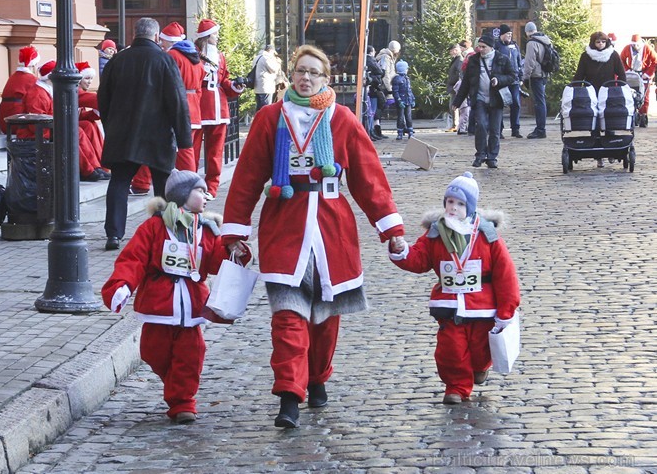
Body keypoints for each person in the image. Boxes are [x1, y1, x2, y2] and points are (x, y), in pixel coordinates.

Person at [221, 44, 406, 429]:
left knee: (324, 316)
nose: (306, 78)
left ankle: (318, 376)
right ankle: (289, 395)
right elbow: (247, 178)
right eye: (300, 71)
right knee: (288, 316)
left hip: (330, 230)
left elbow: (368, 179)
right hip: (284, 230)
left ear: (326, 78)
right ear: (291, 75)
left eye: (314, 73)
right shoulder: (270, 118)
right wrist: (235, 230)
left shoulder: (342, 120)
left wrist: (390, 229)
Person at [101, 169, 250, 424]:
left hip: (192, 303)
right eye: (200, 191)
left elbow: (215, 263)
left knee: (192, 353)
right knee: (152, 351)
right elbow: (133, 259)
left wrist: (234, 251)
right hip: (160, 303)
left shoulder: (207, 230)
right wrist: (123, 284)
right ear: (182, 195)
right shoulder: (154, 227)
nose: (206, 197)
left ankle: (183, 402)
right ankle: (175, 382)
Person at [389, 172, 520, 404]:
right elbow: (419, 260)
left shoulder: (487, 235)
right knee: (451, 349)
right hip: (449, 305)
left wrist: (506, 311)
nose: (453, 208)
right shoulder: (435, 233)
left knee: (480, 350)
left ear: (469, 207)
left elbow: (505, 275)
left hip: (481, 308)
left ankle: (480, 367)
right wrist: (402, 250)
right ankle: (456, 387)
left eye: (460, 204)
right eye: (450, 202)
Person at [98, 17, 193, 251]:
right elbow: (177, 102)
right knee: (161, 185)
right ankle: (162, 231)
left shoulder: (117, 60)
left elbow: (103, 98)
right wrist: (184, 138)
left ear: (134, 34)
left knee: (119, 182)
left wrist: (110, 125)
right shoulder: (164, 60)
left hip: (123, 133)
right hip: (157, 134)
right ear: (157, 37)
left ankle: (113, 233)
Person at [131, 21, 202, 196]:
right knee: (187, 151)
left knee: (159, 150)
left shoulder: (172, 56)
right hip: (192, 106)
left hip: (173, 106)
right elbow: (199, 87)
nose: (160, 44)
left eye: (163, 41)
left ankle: (145, 184)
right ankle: (193, 183)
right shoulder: (195, 57)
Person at [21, 60, 108, 182]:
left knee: (83, 127)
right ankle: (87, 170)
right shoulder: (37, 93)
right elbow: (36, 121)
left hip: (50, 126)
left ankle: (95, 166)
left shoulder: (47, 90)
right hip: (39, 130)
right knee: (74, 131)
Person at [195, 18, 245, 200]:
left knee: (215, 152)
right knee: (192, 151)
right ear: (207, 36)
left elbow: (224, 80)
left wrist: (235, 86)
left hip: (219, 108)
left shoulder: (220, 56)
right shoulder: (194, 54)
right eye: (215, 34)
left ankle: (212, 188)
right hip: (199, 106)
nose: (217, 37)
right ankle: (191, 187)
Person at [452, 34, 517, 169]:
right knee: (480, 126)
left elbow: (512, 76)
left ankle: (492, 157)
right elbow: (466, 83)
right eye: (479, 47)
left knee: (494, 130)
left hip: (496, 99)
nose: (480, 49)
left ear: (491, 47)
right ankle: (480, 154)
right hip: (479, 98)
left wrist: (499, 80)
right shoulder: (473, 61)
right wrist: (457, 102)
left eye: (483, 47)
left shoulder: (501, 59)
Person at [573, 31, 626, 167]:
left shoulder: (613, 55)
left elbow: (621, 73)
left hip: (609, 93)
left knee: (610, 120)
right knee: (594, 122)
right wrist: (575, 89)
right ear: (593, 43)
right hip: (592, 92)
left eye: (603, 42)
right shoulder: (586, 56)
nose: (600, 44)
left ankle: (612, 150)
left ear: (606, 42)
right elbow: (580, 74)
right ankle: (598, 156)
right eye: (598, 42)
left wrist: (620, 89)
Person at [0, 46, 40, 134]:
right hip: (18, 124)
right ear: (34, 65)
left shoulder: (13, 77)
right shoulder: (32, 80)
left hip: (5, 122)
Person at [620, 34, 657, 127]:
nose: (635, 46)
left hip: (645, 74)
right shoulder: (627, 48)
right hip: (632, 73)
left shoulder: (647, 48)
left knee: (645, 95)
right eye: (634, 44)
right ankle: (633, 112)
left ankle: (643, 114)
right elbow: (621, 59)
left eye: (637, 45)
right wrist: (627, 70)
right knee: (632, 93)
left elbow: (655, 61)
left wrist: (648, 73)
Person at [494, 24, 524, 138]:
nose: (509, 36)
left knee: (516, 104)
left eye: (511, 34)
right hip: (502, 80)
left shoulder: (514, 46)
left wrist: (520, 77)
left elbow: (519, 61)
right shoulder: (497, 46)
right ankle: (499, 130)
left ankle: (515, 129)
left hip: (514, 80)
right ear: (502, 35)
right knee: (500, 105)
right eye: (507, 34)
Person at [522, 21, 551, 139]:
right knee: (541, 100)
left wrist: (525, 77)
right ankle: (541, 128)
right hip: (544, 74)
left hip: (536, 75)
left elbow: (529, 62)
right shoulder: (546, 39)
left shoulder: (532, 43)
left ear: (527, 32)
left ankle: (540, 129)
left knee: (539, 102)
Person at [374, 40, 401, 138]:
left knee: (381, 107)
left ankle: (377, 129)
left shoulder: (387, 56)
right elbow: (385, 74)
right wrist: (389, 88)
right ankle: (377, 130)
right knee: (380, 108)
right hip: (384, 87)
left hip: (384, 85)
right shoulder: (386, 57)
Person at [364, 45, 385, 140]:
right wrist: (382, 70)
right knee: (371, 110)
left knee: (371, 110)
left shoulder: (365, 60)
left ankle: (373, 130)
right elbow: (379, 71)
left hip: (371, 86)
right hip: (373, 88)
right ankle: (371, 130)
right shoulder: (370, 60)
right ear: (371, 51)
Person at [253, 44, 282, 112]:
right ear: (271, 51)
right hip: (266, 87)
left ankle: (258, 122)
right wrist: (278, 62)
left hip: (257, 87)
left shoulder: (257, 57)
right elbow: (274, 69)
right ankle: (264, 122)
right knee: (266, 108)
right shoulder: (266, 58)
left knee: (259, 108)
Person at [391, 60, 415, 139]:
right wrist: (399, 100)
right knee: (400, 117)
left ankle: (410, 131)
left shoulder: (406, 78)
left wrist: (413, 99)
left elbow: (409, 90)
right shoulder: (397, 79)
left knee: (408, 116)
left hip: (408, 100)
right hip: (401, 101)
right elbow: (395, 91)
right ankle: (400, 132)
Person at [446, 44, 463, 132]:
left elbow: (461, 72)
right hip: (453, 86)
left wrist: (458, 85)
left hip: (456, 87)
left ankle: (456, 124)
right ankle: (455, 124)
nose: (450, 53)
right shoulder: (455, 59)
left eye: (451, 51)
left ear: (455, 50)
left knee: (454, 105)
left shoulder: (459, 60)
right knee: (452, 105)